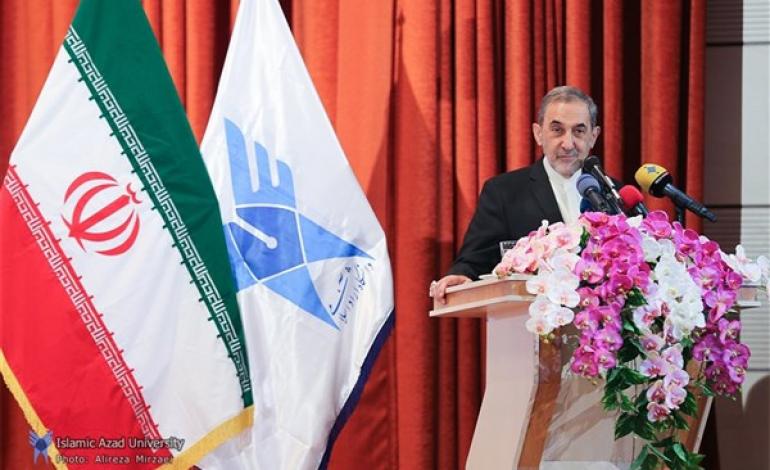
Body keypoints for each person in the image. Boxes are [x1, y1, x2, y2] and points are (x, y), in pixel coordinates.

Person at [431, 85, 601, 304]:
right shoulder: (504, 192)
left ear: (593, 137)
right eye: (557, 130)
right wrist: (463, 275)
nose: (568, 144)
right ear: (538, 134)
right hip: (527, 319)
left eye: (578, 131)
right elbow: (475, 261)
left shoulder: (613, 194)